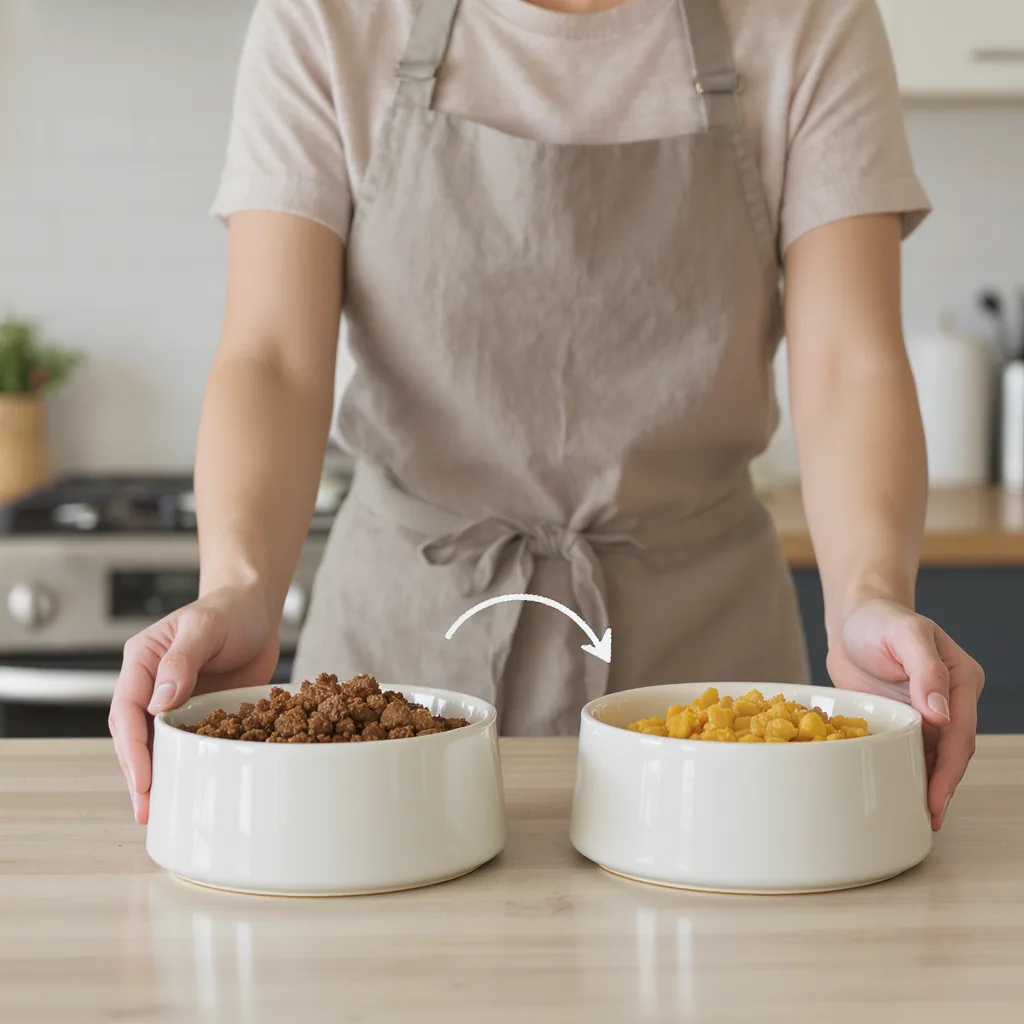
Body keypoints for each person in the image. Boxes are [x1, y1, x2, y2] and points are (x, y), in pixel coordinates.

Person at [110, 0, 983, 831]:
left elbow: (849, 365)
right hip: (401, 649)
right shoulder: (327, 20)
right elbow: (272, 358)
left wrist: (868, 597)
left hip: (713, 669)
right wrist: (239, 585)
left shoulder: (810, 21)